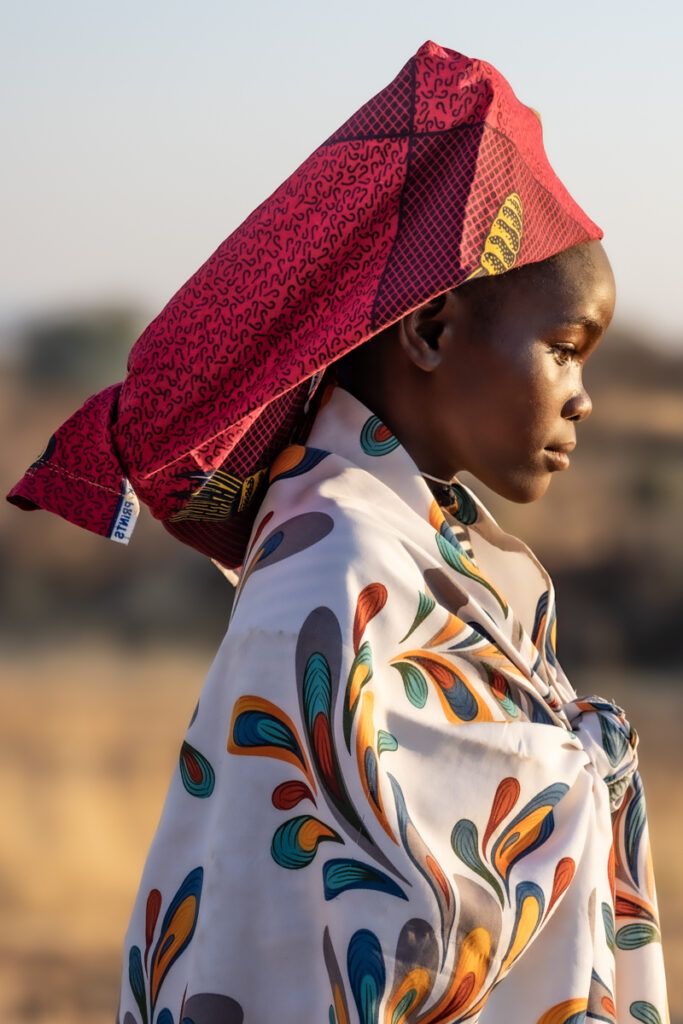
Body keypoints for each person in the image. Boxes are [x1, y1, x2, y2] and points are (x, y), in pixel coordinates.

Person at [8, 41, 669, 1024]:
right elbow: (286, 953)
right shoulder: (328, 572)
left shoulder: (418, 557)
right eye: (564, 350)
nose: (581, 400)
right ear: (431, 330)